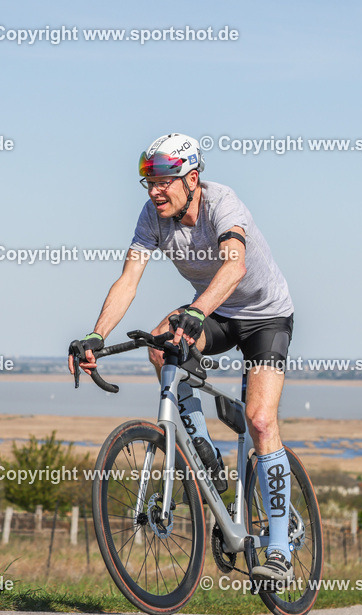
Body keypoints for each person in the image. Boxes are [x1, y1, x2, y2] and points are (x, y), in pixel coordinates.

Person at [68, 133, 296, 587]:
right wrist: (96, 334)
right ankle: (202, 449)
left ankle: (280, 548)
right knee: (158, 342)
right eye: (148, 182)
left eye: (164, 181)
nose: (155, 191)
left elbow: (235, 267)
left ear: (192, 179)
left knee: (261, 420)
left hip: (264, 318)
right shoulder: (153, 216)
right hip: (214, 312)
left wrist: (195, 311)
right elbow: (128, 279)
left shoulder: (222, 205)